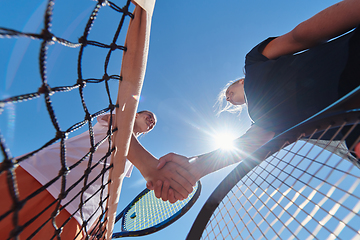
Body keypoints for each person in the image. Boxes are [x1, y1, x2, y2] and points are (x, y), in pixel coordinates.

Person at [148, 0, 360, 203]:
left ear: (240, 81)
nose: (228, 97)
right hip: (353, 130)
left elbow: (299, 36)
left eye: (229, 92)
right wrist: (196, 168)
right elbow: (249, 144)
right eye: (228, 100)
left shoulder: (254, 63)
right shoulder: (261, 120)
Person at [0, 110, 193, 239]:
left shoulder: (128, 162)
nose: (152, 121)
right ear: (137, 113)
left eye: (154, 123)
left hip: (75, 218)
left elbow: (108, 189)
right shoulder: (120, 113)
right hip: (43, 178)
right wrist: (150, 166)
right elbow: (119, 125)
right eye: (149, 115)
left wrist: (97, 224)